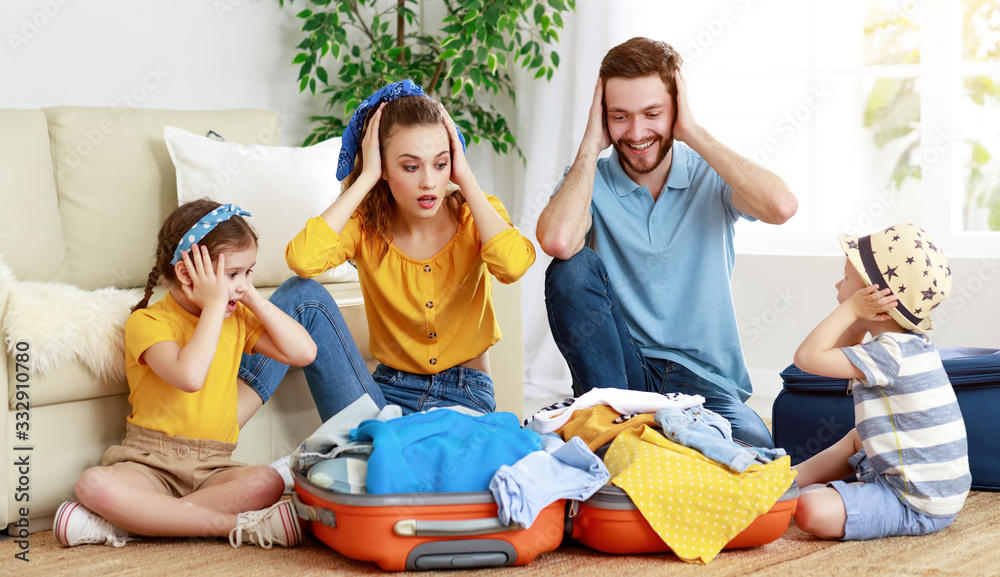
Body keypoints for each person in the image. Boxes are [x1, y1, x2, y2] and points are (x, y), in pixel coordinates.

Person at [536, 37, 797, 448]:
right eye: (620, 116)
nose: (637, 133)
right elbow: (557, 241)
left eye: (652, 113)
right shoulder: (588, 180)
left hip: (703, 383)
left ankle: (637, 443)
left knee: (755, 451)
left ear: (676, 108)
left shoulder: (709, 174)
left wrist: (692, 132)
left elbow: (782, 206)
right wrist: (589, 146)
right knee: (571, 267)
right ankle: (613, 428)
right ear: (602, 116)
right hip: (621, 376)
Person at [53, 200, 316, 548]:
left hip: (214, 467)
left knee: (266, 481)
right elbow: (189, 376)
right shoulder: (147, 322)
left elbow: (304, 352)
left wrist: (252, 296)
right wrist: (211, 307)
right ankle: (232, 525)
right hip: (149, 465)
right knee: (94, 484)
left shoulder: (237, 316)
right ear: (187, 274)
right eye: (233, 274)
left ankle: (134, 522)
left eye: (248, 272)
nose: (241, 285)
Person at [281, 79, 535, 417]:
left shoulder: (475, 214)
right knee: (299, 294)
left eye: (440, 164)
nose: (429, 181)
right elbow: (302, 260)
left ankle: (379, 447)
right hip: (386, 392)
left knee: (419, 462)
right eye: (411, 166)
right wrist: (367, 176)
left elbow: (513, 266)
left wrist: (466, 177)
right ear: (385, 167)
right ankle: (218, 434)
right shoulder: (366, 225)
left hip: (465, 392)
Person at [791, 222, 970, 540]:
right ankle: (790, 478)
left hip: (914, 503)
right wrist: (858, 312)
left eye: (846, 279)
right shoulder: (906, 346)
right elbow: (843, 348)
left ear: (875, 300)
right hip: (931, 486)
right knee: (858, 437)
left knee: (809, 509)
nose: (837, 285)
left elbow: (806, 357)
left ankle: (793, 490)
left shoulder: (890, 354)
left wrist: (851, 309)